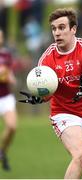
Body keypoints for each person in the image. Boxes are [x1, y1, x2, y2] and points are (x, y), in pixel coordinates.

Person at [19, 8, 82, 179]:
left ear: (73, 29)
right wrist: (40, 97)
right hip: (64, 113)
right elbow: (48, 91)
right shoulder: (48, 57)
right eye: (54, 28)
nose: (57, 32)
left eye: (62, 27)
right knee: (81, 154)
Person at [0, 29, 17, 170]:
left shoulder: (6, 54)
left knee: (12, 127)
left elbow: (9, 73)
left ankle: (2, 151)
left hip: (5, 96)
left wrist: (11, 78)